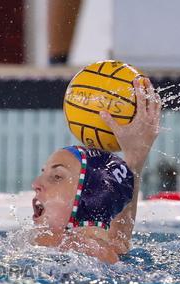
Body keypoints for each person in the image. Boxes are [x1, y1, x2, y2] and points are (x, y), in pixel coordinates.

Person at [30, 77, 162, 264]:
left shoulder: (55, 246)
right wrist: (135, 159)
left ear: (90, 197)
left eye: (57, 176)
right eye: (44, 174)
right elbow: (119, 241)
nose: (36, 184)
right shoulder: (109, 251)